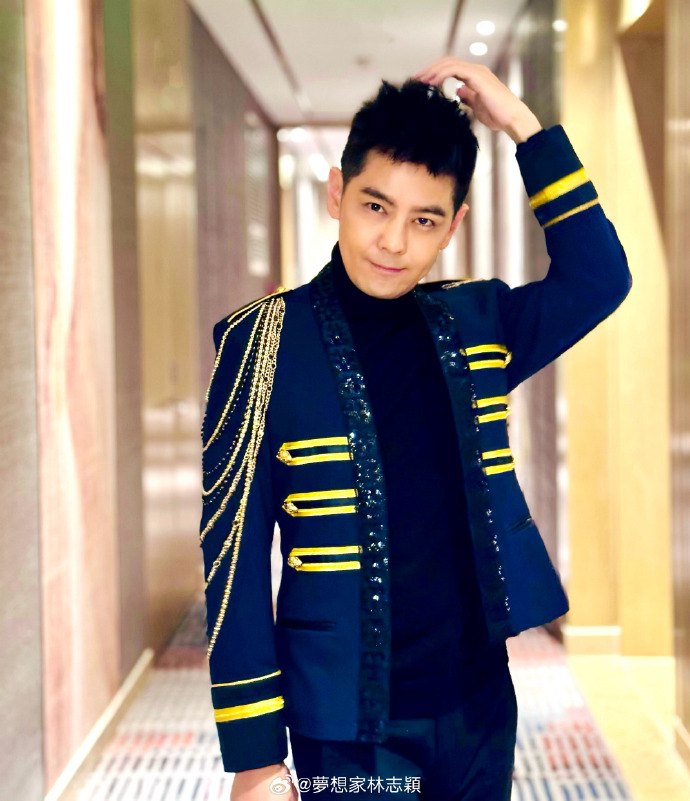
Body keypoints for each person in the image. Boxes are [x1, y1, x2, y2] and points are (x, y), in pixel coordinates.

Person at [198, 57, 631, 801]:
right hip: (347, 725)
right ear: (337, 194)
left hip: (478, 705)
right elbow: (232, 560)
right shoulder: (262, 345)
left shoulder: (476, 323)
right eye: (375, 206)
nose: (394, 241)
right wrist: (255, 756)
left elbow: (599, 278)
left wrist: (524, 128)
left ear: (452, 227)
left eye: (423, 219)